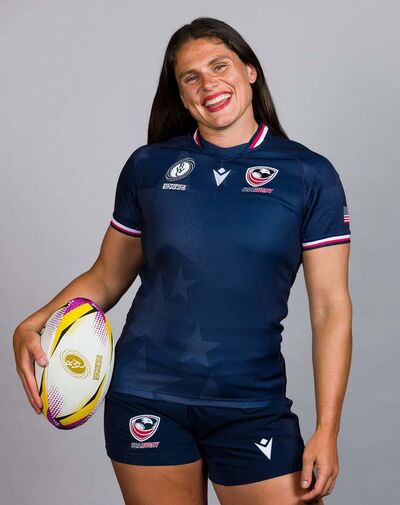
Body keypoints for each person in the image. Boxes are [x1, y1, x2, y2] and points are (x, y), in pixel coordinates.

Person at [13, 17, 352, 505]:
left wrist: (327, 428)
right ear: (181, 95)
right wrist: (35, 321)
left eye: (220, 66)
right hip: (147, 395)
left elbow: (330, 308)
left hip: (251, 404)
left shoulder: (308, 174)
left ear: (250, 71)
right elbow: (106, 276)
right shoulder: (148, 166)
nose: (208, 84)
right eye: (191, 77)